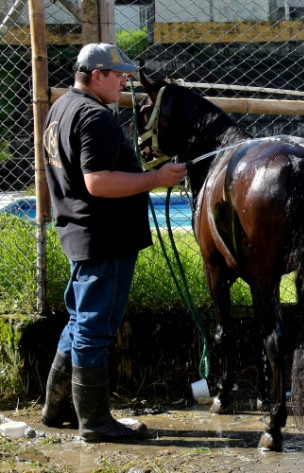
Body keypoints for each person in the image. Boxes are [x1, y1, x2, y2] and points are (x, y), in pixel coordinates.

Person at [40, 43, 188, 442]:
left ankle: (56, 410)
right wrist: (156, 179)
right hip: (104, 239)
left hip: (80, 235)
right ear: (96, 74)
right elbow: (98, 182)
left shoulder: (61, 108)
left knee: (78, 322)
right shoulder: (94, 117)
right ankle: (95, 423)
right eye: (119, 74)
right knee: (94, 329)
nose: (125, 80)